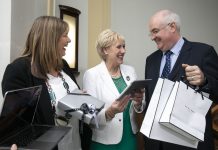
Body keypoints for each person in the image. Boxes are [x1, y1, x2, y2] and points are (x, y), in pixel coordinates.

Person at [1, 16, 91, 150]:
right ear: (50, 39)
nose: (69, 40)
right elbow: (18, 125)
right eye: (65, 35)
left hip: (75, 144)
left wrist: (78, 98)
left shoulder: (63, 65)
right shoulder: (19, 70)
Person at [144, 9, 218, 150]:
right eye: (151, 33)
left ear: (172, 27)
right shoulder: (151, 60)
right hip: (155, 144)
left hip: (189, 143)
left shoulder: (203, 52)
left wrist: (205, 81)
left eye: (155, 31)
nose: (152, 37)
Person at [83, 29, 145, 150]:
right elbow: (89, 117)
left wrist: (138, 103)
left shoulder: (130, 71)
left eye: (124, 46)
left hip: (130, 137)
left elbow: (139, 106)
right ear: (105, 50)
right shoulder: (92, 75)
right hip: (104, 142)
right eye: (119, 47)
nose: (123, 51)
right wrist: (110, 112)